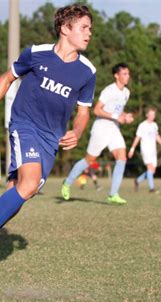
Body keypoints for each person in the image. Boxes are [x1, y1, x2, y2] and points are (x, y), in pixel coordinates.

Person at [0, 4, 96, 277]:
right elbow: (6, 78)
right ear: (64, 29)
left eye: (90, 29)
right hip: (24, 125)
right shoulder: (36, 54)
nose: (89, 33)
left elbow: (84, 111)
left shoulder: (87, 72)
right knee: (29, 184)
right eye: (83, 27)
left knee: (18, 196)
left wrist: (78, 131)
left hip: (51, 139)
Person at [61, 63, 133, 205]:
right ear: (116, 75)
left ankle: (113, 194)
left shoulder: (126, 93)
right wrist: (116, 116)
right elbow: (97, 110)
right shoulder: (109, 90)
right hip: (101, 128)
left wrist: (125, 116)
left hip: (114, 129)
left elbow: (117, 111)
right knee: (89, 160)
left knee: (122, 157)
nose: (127, 76)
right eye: (124, 74)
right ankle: (67, 183)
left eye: (128, 74)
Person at [128, 107, 161, 193]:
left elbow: (156, 136)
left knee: (152, 171)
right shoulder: (142, 125)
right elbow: (137, 137)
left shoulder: (154, 125)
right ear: (147, 115)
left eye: (153, 114)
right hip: (145, 149)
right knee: (150, 168)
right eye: (150, 114)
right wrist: (132, 149)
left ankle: (137, 180)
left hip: (153, 151)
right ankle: (152, 188)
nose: (152, 116)